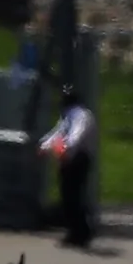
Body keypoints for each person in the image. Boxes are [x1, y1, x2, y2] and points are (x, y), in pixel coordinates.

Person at [40, 86, 98, 249]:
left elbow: (75, 136)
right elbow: (58, 132)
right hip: (68, 158)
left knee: (73, 196)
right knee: (68, 196)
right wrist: (44, 145)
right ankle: (76, 231)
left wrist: (65, 147)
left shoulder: (82, 115)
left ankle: (81, 233)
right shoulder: (67, 116)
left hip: (79, 158)